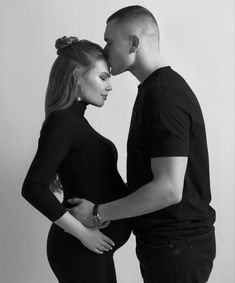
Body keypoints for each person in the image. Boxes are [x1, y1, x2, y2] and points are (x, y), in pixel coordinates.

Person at [67, 6, 216, 283]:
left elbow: (169, 189)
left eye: (110, 41)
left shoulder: (164, 95)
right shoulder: (154, 90)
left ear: (134, 42)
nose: (104, 49)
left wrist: (97, 213)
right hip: (168, 246)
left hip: (177, 247)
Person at [21, 36, 131, 283]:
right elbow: (33, 187)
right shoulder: (63, 121)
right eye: (103, 77)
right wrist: (83, 234)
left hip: (93, 248)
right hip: (80, 248)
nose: (110, 86)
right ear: (77, 76)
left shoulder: (76, 122)